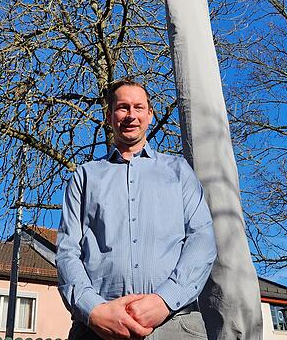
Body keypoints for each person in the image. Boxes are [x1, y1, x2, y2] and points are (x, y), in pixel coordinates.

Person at [56, 79, 217, 340]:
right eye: (122, 107)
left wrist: (165, 300)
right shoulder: (85, 177)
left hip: (175, 324)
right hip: (97, 329)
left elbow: (202, 239)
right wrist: (93, 309)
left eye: (138, 107)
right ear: (109, 116)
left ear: (150, 114)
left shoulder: (179, 172)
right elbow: (67, 251)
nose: (131, 115)